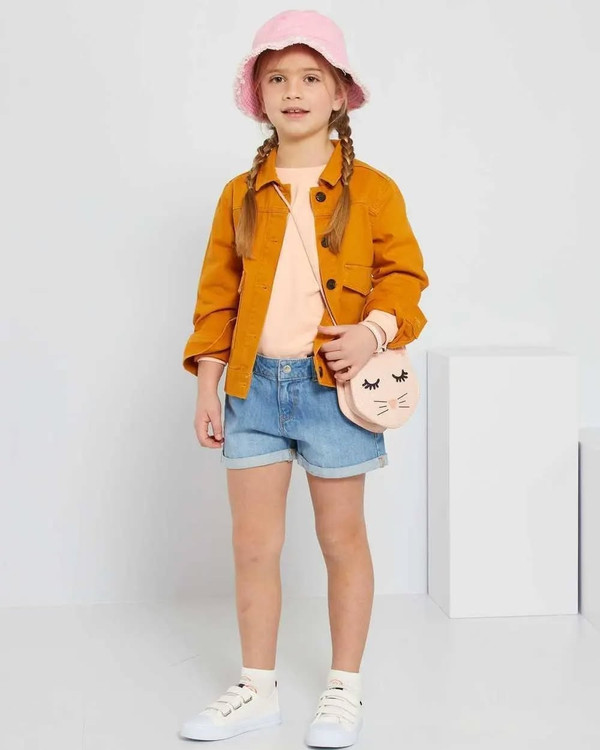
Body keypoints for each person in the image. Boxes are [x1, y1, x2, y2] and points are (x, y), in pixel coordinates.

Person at [179, 9, 429, 748]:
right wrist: (207, 385)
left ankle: (344, 689)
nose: (294, 91)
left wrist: (372, 332)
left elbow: (404, 278)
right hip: (252, 391)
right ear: (258, 96)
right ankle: (257, 689)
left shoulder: (374, 190)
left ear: (340, 92)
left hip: (335, 394)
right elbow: (218, 299)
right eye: (277, 78)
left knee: (341, 539)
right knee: (253, 545)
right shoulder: (240, 194)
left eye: (311, 77)